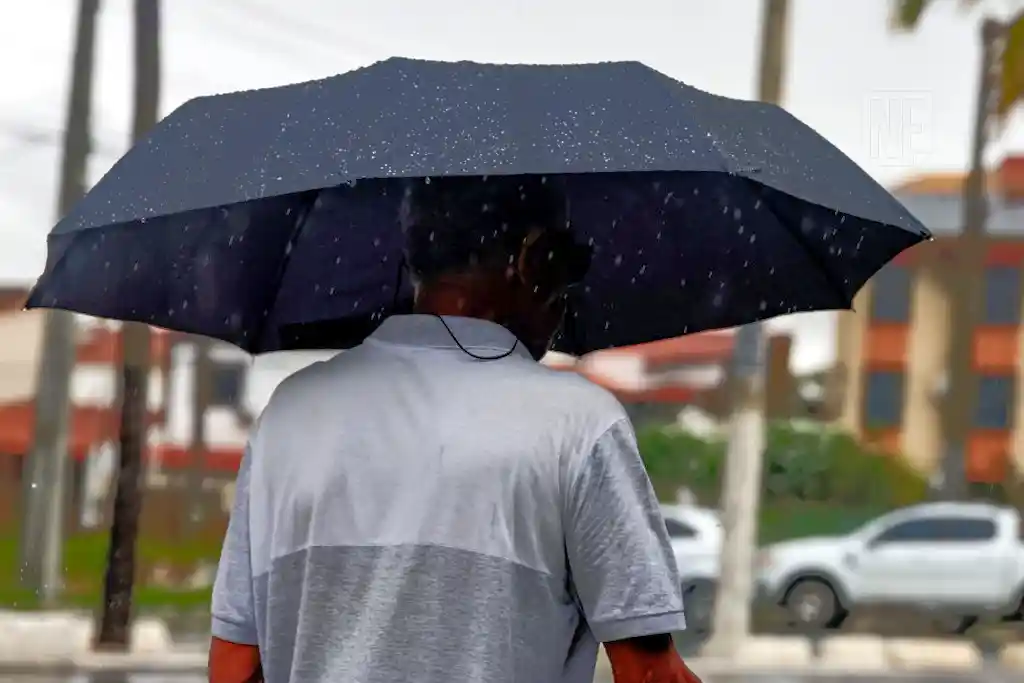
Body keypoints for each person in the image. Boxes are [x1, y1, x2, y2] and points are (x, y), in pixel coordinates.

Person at [208, 175, 701, 683]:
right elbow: (649, 673)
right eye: (567, 262)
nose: (568, 295)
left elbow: (234, 663)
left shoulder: (291, 415)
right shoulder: (580, 425)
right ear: (532, 261)